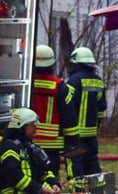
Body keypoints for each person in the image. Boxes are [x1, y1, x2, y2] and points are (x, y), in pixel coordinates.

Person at [61, 46, 106, 178]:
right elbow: (102, 107)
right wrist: (96, 124)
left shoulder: (74, 81)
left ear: (77, 63)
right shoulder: (98, 81)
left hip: (75, 134)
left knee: (75, 164)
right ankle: (97, 190)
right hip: (91, 134)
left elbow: (68, 105)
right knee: (92, 163)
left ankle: (78, 191)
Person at [0, 107, 61, 194]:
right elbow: (13, 176)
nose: (35, 129)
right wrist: (38, 189)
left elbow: (44, 170)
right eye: (32, 125)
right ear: (20, 125)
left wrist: (53, 183)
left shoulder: (30, 146)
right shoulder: (8, 147)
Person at [32, 44, 65, 175]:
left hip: (30, 140)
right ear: (52, 64)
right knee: (51, 178)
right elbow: (68, 116)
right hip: (52, 144)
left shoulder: (28, 84)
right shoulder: (59, 86)